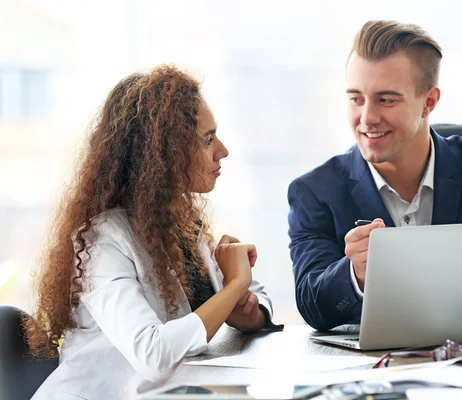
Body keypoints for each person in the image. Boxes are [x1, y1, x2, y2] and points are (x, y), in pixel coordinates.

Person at [287, 20, 462, 331]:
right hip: (376, 374)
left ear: (429, 102)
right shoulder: (315, 192)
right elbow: (311, 306)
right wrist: (354, 274)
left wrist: (439, 304)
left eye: (386, 99)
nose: (367, 118)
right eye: (356, 98)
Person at [27, 65, 281, 400]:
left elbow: (256, 298)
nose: (222, 150)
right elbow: (152, 354)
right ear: (164, 154)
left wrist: (248, 309)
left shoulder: (181, 222)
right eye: (207, 139)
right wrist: (233, 287)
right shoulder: (102, 240)